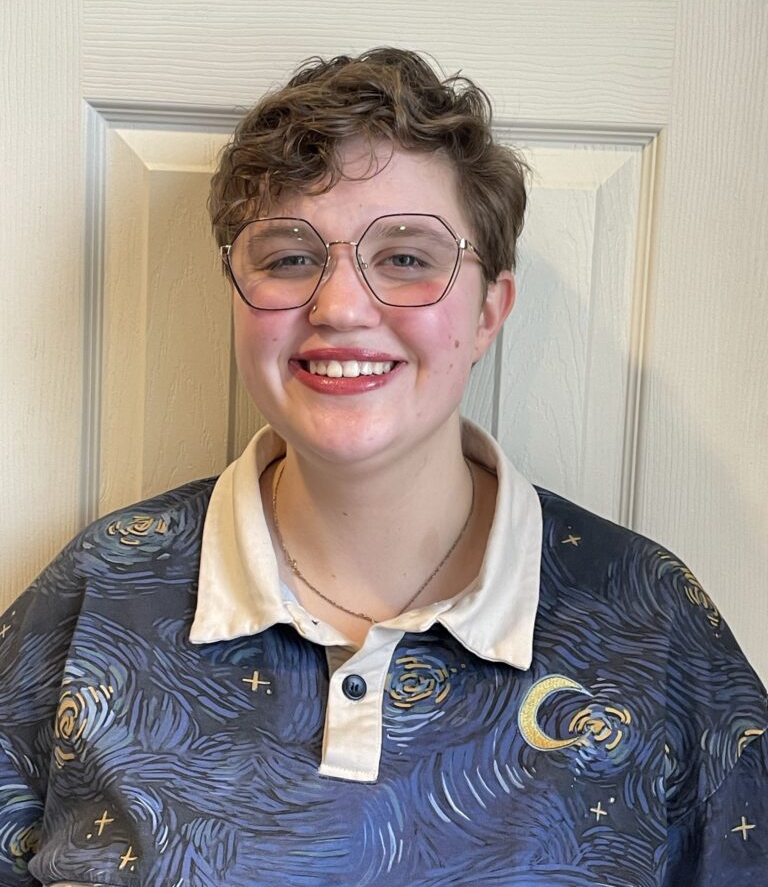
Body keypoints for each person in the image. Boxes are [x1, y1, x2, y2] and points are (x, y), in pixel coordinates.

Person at [0, 48, 766, 887]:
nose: (339, 307)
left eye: (406, 257)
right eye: (289, 257)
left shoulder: (652, 624)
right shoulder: (101, 589)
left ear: (487, 313)